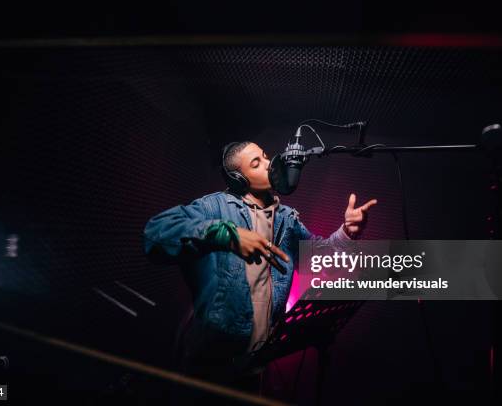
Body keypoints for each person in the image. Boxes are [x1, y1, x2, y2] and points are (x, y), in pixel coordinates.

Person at [143, 141, 377, 398]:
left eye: (265, 156)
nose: (270, 164)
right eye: (257, 163)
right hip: (209, 368)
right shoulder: (214, 207)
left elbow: (321, 257)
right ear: (239, 179)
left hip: (254, 369)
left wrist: (347, 233)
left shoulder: (287, 219)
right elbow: (155, 235)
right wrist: (226, 235)